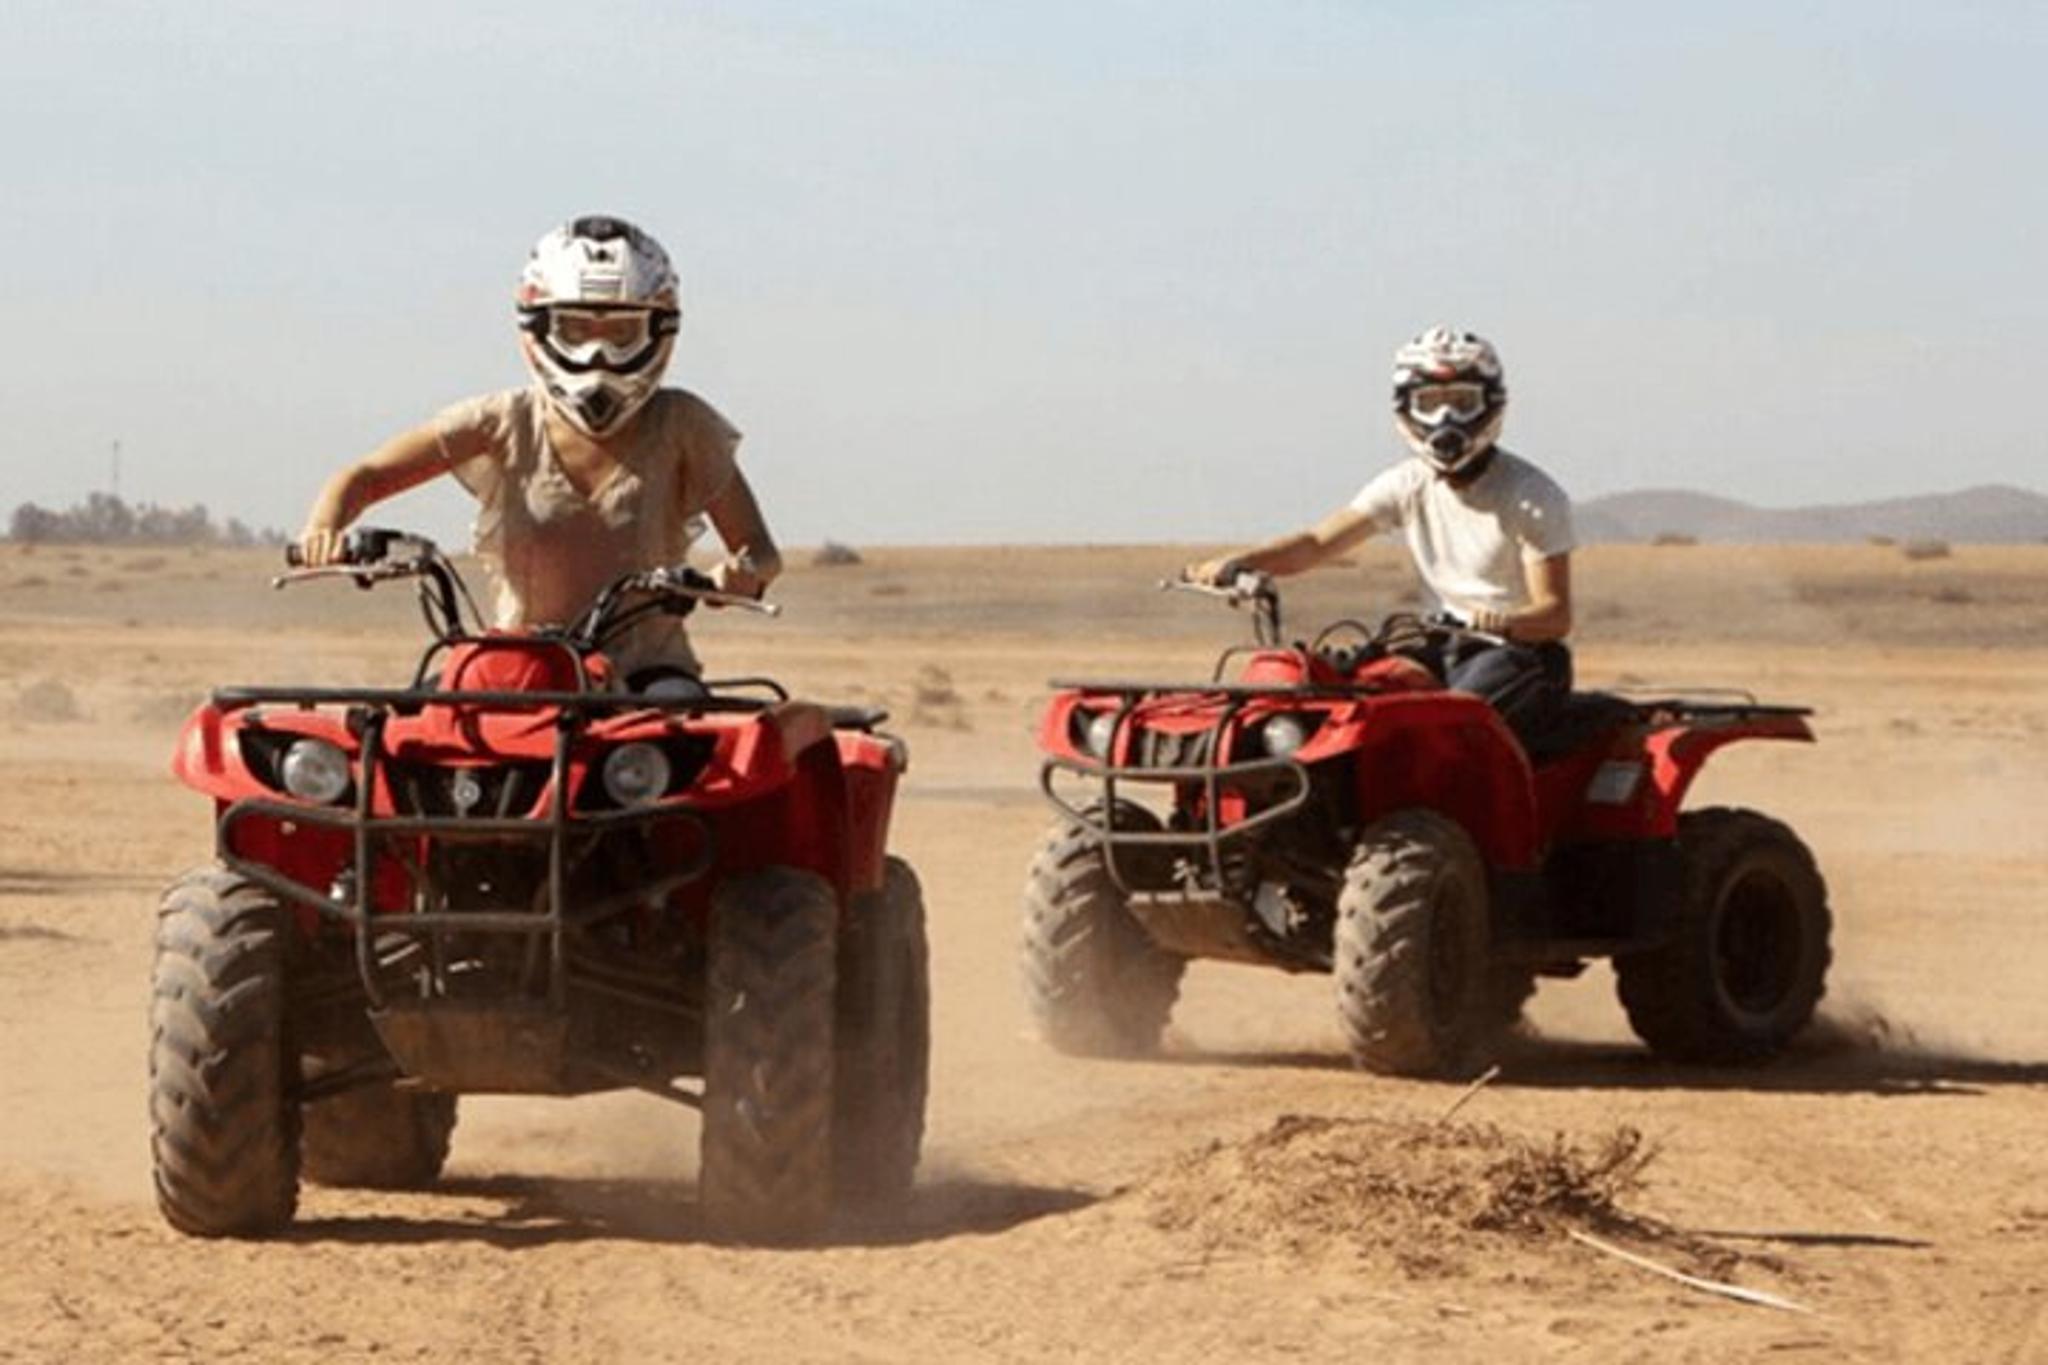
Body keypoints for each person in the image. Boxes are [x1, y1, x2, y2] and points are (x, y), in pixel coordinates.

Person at [297, 214, 781, 688]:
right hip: (518, 667)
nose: (597, 354)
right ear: (538, 325)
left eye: (619, 332)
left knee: (685, 738)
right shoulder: (502, 420)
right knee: (422, 732)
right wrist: (324, 527)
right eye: (576, 330)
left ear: (659, 329)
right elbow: (368, 475)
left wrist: (739, 576)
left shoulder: (682, 424)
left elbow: (759, 550)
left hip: (646, 673)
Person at [1187, 325, 1576, 743]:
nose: (1446, 418)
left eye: (1462, 401)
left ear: (1491, 403)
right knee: (1346, 699)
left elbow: (1555, 615)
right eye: (1431, 402)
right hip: (1438, 646)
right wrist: (1240, 563)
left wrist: (1503, 621)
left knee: (1448, 727)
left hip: (1516, 655)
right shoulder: (1407, 483)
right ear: (1407, 408)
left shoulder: (1531, 495)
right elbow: (1317, 544)